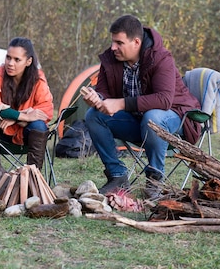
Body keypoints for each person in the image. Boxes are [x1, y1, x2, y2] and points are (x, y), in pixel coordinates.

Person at [82, 14, 201, 198]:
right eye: (113, 42)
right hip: (138, 121)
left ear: (136, 42)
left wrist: (120, 103)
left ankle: (155, 178)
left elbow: (163, 100)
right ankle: (117, 176)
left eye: (119, 43)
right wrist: (97, 98)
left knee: (152, 116)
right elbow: (104, 91)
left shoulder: (160, 58)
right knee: (93, 115)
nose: (113, 47)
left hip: (174, 118)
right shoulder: (110, 59)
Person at [0, 37, 54, 189]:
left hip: (27, 133)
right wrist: (22, 115)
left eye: (17, 59)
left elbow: (46, 109)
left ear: (28, 61)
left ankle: (32, 177)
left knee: (39, 124)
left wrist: (17, 119)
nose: (10, 63)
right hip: (0, 131)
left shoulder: (37, 79)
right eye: (8, 57)